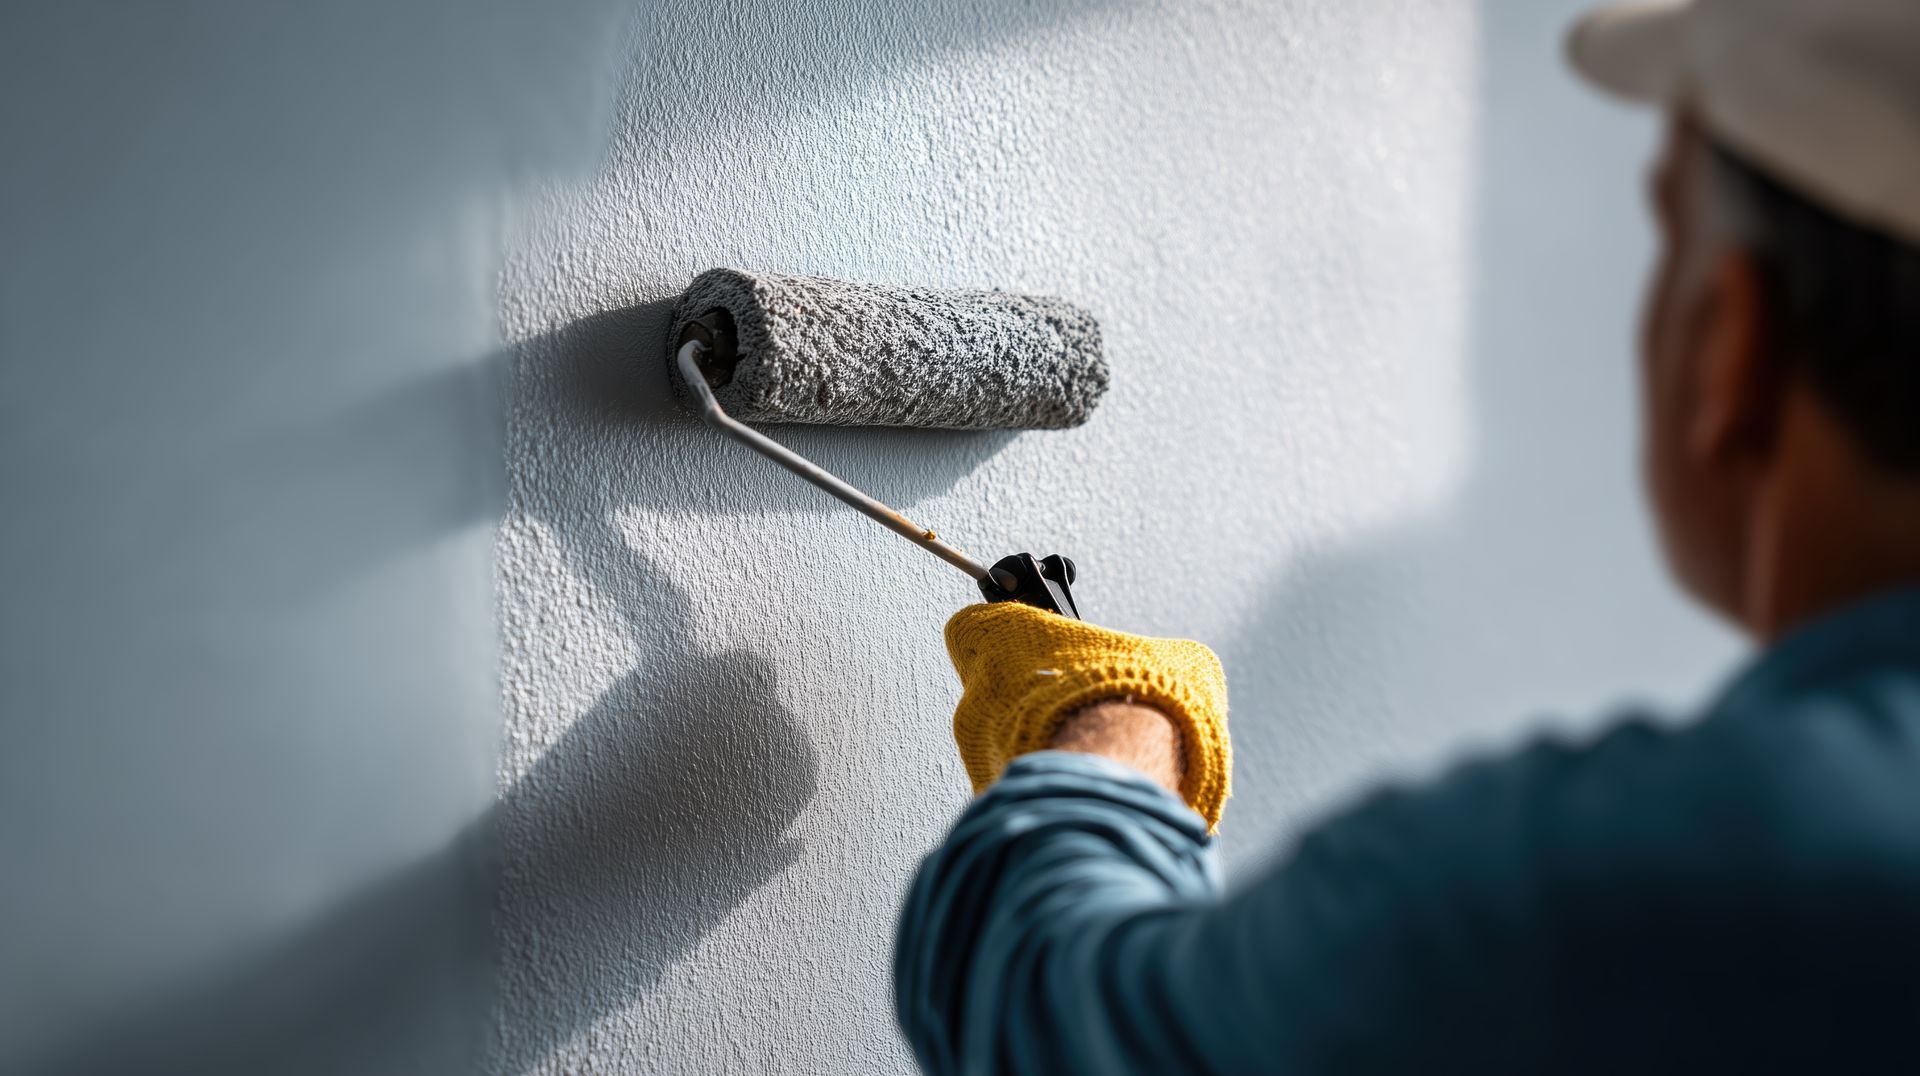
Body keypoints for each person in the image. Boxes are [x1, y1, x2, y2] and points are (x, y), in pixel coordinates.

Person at [892, 1, 1920, 1071]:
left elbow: (1057, 1012)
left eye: (1669, 235)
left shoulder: (1592, 888)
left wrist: (1112, 728)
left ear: (1730, 341)